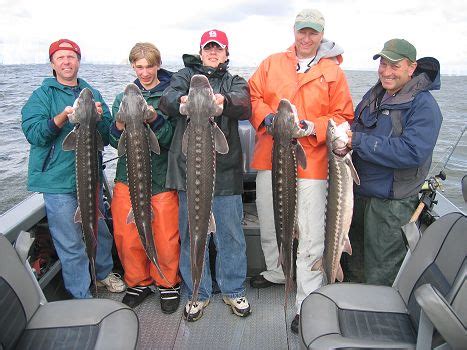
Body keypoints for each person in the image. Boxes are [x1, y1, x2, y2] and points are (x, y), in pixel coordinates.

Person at [248, 9, 354, 333]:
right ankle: (277, 272)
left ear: (322, 35)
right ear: (293, 31)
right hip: (270, 156)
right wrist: (266, 118)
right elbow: (253, 96)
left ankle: (306, 301)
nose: (306, 38)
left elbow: (343, 116)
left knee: (309, 236)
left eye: (313, 33)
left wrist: (312, 127)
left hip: (313, 164)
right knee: (270, 222)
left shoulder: (333, 72)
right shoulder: (271, 62)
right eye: (302, 32)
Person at [21, 38, 126, 299]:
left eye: (71, 57)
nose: (67, 62)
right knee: (69, 240)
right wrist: (60, 120)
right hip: (56, 182)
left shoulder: (91, 91)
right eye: (61, 58)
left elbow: (110, 137)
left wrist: (102, 119)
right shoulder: (42, 95)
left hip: (91, 177)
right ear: (52, 64)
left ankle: (102, 274)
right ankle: (81, 293)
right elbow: (34, 134)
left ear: (79, 60)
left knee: (100, 229)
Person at [159, 29, 252, 321]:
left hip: (224, 173)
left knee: (230, 235)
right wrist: (183, 102)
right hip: (189, 172)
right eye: (208, 48)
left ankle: (233, 289)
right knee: (192, 235)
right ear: (201, 53)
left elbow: (244, 104)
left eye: (218, 48)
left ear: (226, 53)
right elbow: (167, 100)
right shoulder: (184, 76)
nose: (213, 52)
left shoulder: (235, 80)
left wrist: (225, 102)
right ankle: (198, 292)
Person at [343, 39, 442, 286]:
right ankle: (351, 314)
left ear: (411, 68)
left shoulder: (424, 106)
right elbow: (356, 127)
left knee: (381, 273)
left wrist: (358, 141)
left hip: (390, 205)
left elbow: (412, 152)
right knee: (352, 264)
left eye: (394, 66)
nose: (386, 72)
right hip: (358, 196)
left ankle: (377, 321)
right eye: (383, 64)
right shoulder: (375, 94)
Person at [109, 42, 181, 313]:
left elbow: (170, 139)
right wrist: (117, 125)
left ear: (158, 65)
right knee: (127, 235)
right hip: (127, 176)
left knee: (164, 235)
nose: (145, 72)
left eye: (149, 66)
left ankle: (167, 283)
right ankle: (138, 281)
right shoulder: (121, 98)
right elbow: (113, 140)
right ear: (132, 67)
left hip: (161, 176)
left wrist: (154, 119)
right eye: (139, 67)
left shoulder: (167, 97)